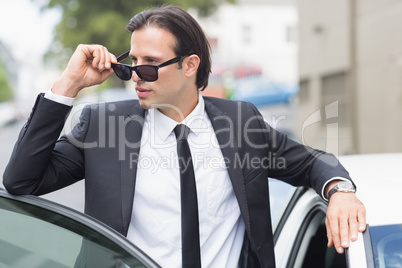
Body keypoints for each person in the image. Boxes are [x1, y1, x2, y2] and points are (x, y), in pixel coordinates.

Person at [3, 5, 366, 268]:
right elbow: (21, 181)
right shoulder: (103, 126)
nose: (137, 75)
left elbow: (312, 163)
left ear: (190, 65)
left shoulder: (241, 123)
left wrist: (341, 192)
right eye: (131, 63)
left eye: (149, 64)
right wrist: (67, 85)